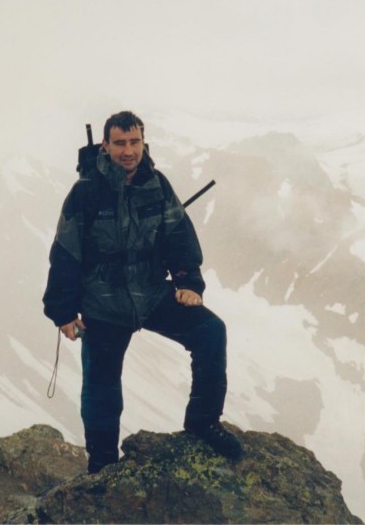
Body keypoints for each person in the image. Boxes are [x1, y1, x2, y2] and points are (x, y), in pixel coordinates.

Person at [42, 110, 242, 474]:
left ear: (143, 142)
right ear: (105, 145)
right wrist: (64, 313)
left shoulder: (157, 184)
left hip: (151, 294)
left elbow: (178, 236)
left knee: (211, 331)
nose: (128, 150)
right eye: (120, 143)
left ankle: (202, 421)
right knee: (102, 388)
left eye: (134, 142)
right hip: (103, 304)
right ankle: (102, 465)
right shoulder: (85, 192)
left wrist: (188, 284)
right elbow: (66, 252)